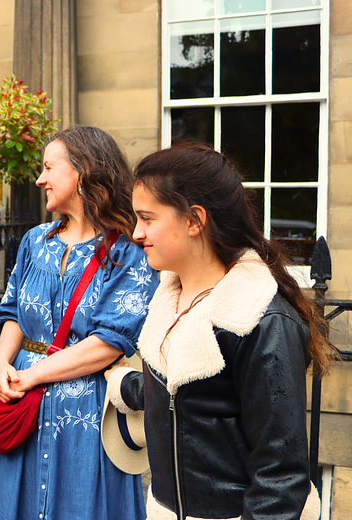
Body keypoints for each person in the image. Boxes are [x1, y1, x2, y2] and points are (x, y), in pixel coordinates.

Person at [105, 143, 336, 519]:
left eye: (147, 218)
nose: (135, 232)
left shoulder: (260, 319)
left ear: (194, 220)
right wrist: (127, 386)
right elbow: (190, 391)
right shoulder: (168, 298)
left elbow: (281, 477)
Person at [0, 126, 157, 519]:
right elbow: (13, 310)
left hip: (85, 409)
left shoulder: (128, 251)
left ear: (82, 173)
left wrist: (34, 375)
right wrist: (0, 363)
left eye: (49, 168)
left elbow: (109, 342)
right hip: (20, 404)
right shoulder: (34, 241)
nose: (40, 179)